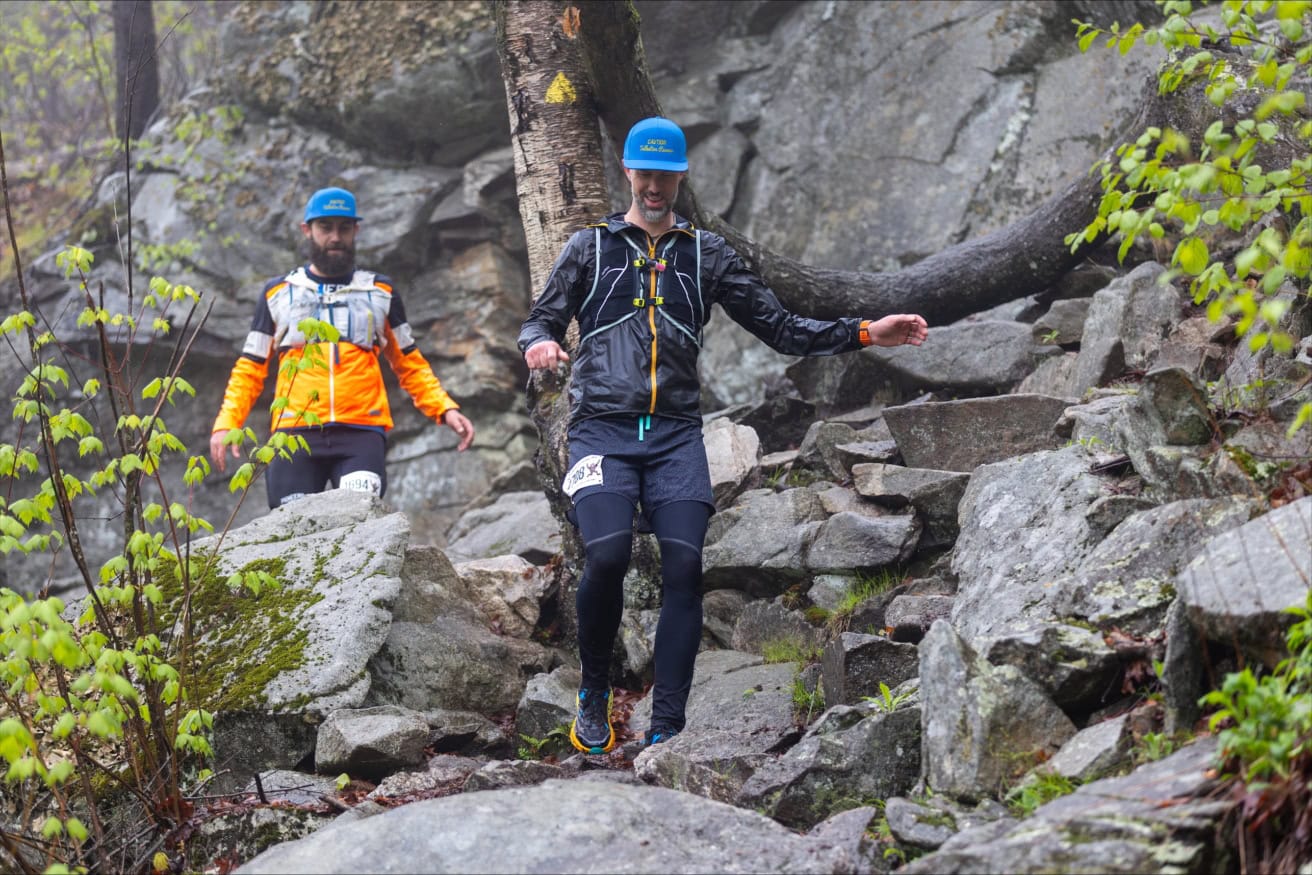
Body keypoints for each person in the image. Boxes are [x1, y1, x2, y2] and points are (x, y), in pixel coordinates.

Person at [517, 117, 928, 753]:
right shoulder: (589, 248)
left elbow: (784, 328)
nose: (655, 186)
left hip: (676, 436)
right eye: (644, 173)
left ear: (681, 177)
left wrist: (868, 332)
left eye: (666, 175)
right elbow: (540, 319)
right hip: (601, 431)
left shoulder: (706, 255)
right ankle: (593, 691)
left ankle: (667, 728)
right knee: (606, 556)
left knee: (684, 565)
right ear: (628, 172)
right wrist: (540, 342)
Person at [211, 186, 474, 508]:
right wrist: (228, 423)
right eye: (325, 227)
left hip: (361, 433)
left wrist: (443, 407)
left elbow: (409, 361)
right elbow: (250, 367)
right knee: (292, 533)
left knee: (360, 522)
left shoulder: (381, 291)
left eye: (344, 228)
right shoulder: (277, 293)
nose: (335, 236)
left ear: (356, 231)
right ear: (307, 230)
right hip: (294, 432)